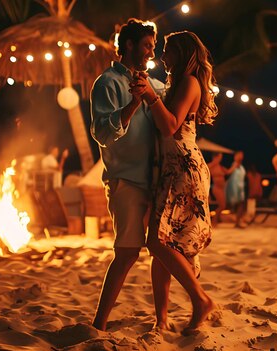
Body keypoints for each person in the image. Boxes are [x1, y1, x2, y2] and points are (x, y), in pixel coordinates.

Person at [131, 30, 217, 334]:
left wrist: (151, 97)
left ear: (181, 53)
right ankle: (162, 319)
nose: (162, 55)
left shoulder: (189, 82)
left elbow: (170, 126)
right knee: (163, 244)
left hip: (183, 167)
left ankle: (200, 299)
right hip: (171, 168)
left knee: (157, 241)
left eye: (167, 49)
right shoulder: (176, 83)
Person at [89, 19, 164, 331]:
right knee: (127, 252)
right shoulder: (106, 83)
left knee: (163, 249)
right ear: (129, 45)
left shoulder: (157, 86)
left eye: (153, 46)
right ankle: (99, 322)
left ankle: (162, 320)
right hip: (126, 181)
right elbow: (102, 134)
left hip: (159, 181)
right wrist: (133, 104)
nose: (152, 52)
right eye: (147, 45)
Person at [207, 152, 239, 223]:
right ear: (215, 157)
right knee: (222, 205)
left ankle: (216, 219)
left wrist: (234, 166)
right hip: (217, 188)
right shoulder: (211, 166)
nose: (220, 159)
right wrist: (214, 162)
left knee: (223, 206)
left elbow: (228, 172)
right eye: (219, 157)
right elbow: (206, 168)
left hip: (222, 188)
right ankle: (214, 220)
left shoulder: (220, 167)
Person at [225, 151, 246, 228]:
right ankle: (237, 222)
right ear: (235, 156)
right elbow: (228, 172)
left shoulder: (241, 166)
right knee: (239, 204)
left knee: (241, 204)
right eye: (239, 155)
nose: (241, 156)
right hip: (235, 187)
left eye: (242, 155)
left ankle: (238, 221)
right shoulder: (235, 164)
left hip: (240, 187)